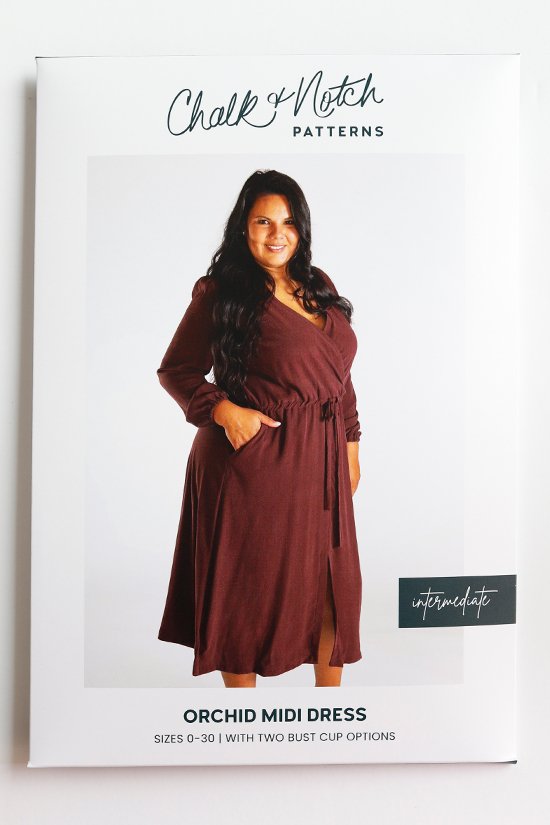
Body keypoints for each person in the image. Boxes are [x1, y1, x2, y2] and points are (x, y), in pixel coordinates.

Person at [157, 169, 363, 688]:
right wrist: (225, 411)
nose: (277, 234)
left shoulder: (318, 285)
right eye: (263, 221)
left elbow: (339, 375)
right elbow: (177, 370)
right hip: (253, 462)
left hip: (321, 458)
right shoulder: (221, 291)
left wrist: (351, 442)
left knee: (332, 588)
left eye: (288, 222)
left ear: (302, 229)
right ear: (243, 228)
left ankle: (331, 714)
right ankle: (243, 719)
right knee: (246, 594)